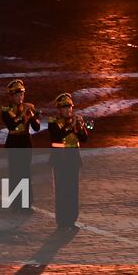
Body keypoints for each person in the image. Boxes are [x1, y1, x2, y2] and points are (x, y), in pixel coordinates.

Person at [48, 93, 89, 229]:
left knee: (73, 191)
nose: (68, 110)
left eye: (70, 107)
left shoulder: (74, 121)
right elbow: (58, 135)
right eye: (65, 108)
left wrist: (81, 127)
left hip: (73, 159)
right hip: (60, 159)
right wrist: (73, 126)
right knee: (61, 191)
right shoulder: (53, 122)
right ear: (59, 109)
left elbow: (84, 139)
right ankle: (62, 220)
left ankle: (72, 219)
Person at [0, 80, 41, 211]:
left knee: (26, 173)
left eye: (22, 95)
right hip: (13, 143)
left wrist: (34, 116)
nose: (20, 98)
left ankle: (26, 204)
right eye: (17, 95)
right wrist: (24, 114)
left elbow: (36, 127)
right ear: (11, 96)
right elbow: (11, 125)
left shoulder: (28, 107)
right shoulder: (6, 110)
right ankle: (15, 203)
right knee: (15, 174)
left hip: (25, 142)